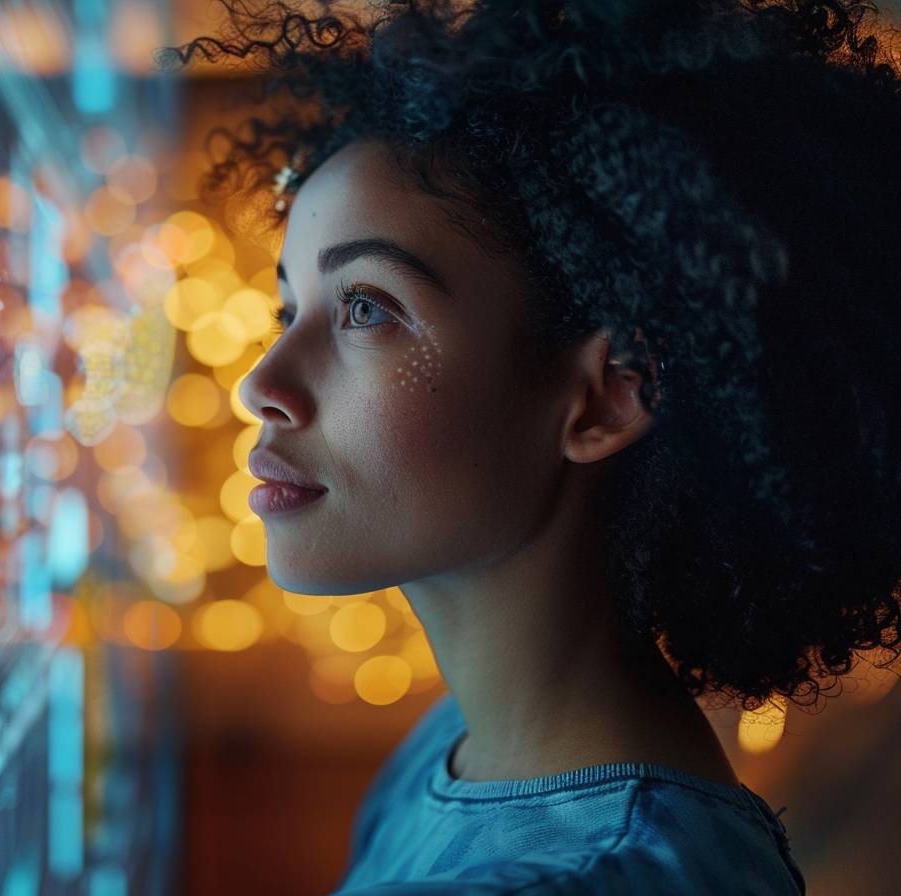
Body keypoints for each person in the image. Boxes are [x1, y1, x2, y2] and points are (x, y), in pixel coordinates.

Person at [159, 0, 901, 892]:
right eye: (290, 310)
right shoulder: (455, 747)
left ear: (604, 400)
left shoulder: (594, 876)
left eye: (367, 309)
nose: (261, 385)